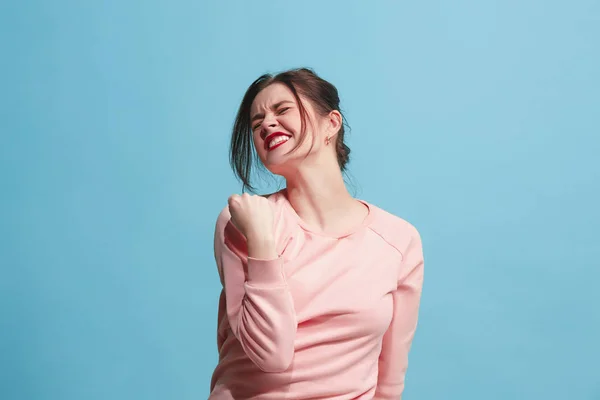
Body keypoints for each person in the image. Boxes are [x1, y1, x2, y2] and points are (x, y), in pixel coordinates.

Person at [208, 68, 424, 400]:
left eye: (282, 110)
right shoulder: (242, 222)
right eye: (256, 123)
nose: (266, 124)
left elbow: (389, 382)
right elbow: (271, 355)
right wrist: (263, 242)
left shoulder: (398, 241)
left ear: (331, 123)